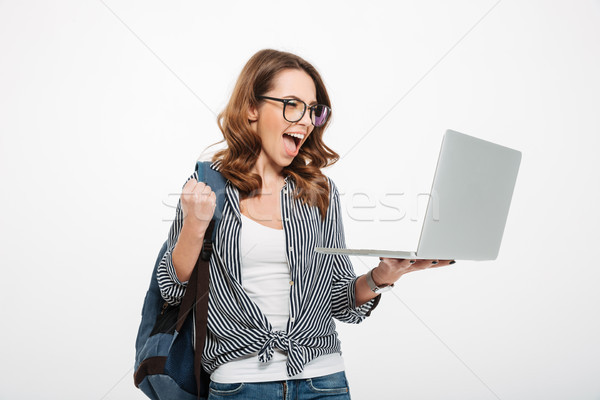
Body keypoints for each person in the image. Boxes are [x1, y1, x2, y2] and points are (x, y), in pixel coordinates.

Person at [156, 48, 454, 400]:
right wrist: (194, 226)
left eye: (313, 110)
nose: (305, 120)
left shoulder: (320, 191)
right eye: (292, 104)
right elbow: (173, 291)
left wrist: (382, 277)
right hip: (239, 384)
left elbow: (341, 302)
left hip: (323, 381)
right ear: (251, 109)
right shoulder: (208, 186)